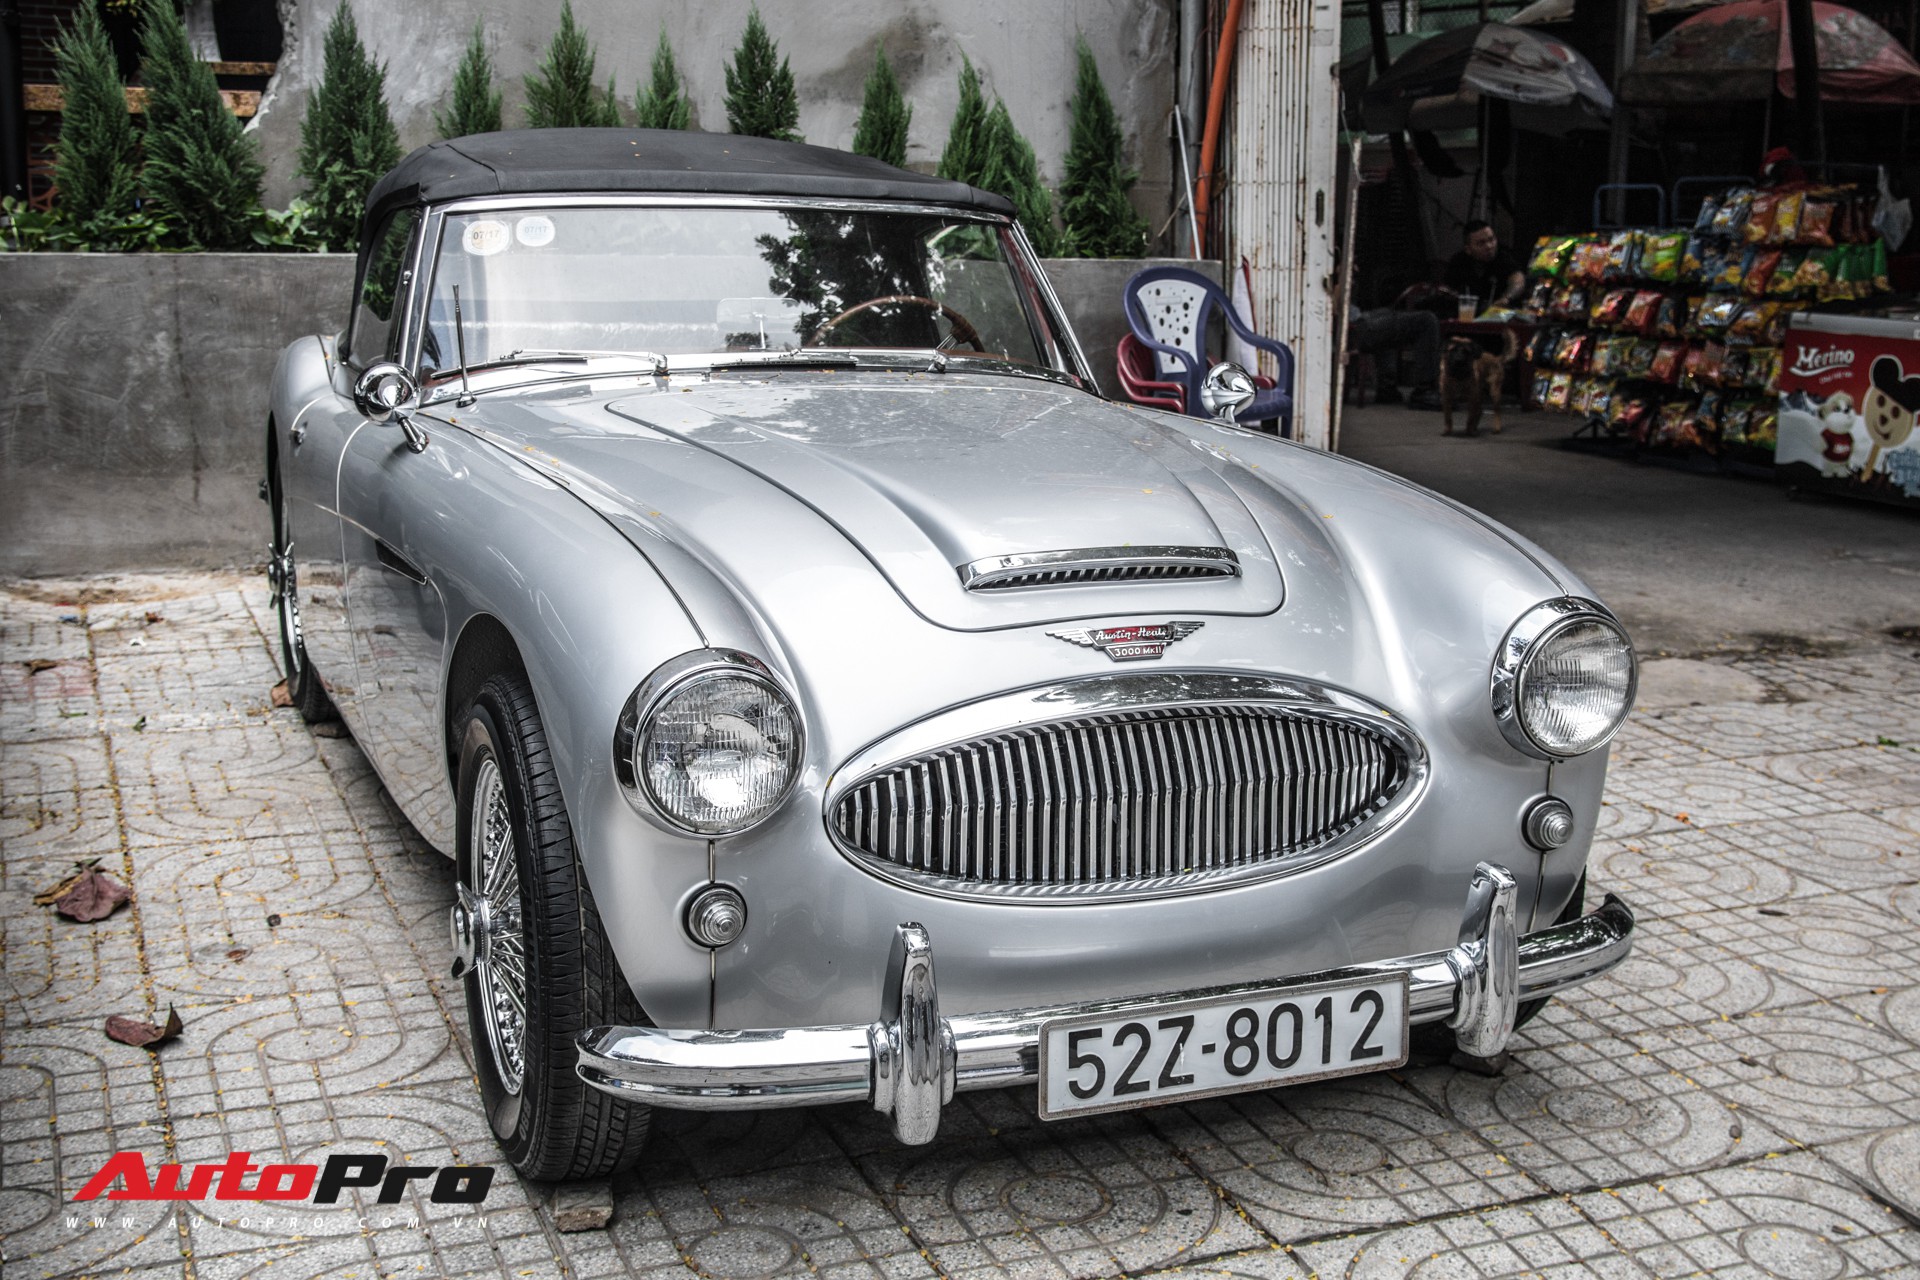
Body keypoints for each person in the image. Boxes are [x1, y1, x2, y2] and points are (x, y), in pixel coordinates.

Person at [1348, 303, 1442, 410]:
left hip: (1360, 318)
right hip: (1357, 326)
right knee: (1427, 320)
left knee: (1387, 312)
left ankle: (1387, 388)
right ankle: (1425, 391)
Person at [1444, 221, 1525, 314]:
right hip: (1467, 316)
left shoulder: (1503, 255)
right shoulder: (1459, 262)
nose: (1489, 246)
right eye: (1481, 243)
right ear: (1468, 249)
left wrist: (1506, 298)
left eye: (1491, 239)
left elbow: (1517, 278)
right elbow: (1448, 288)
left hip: (1499, 315)